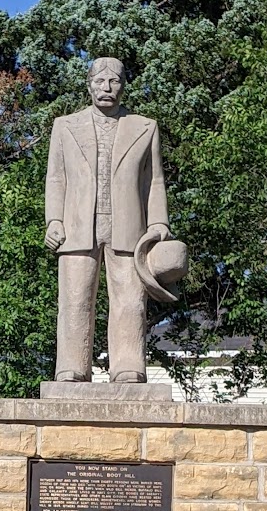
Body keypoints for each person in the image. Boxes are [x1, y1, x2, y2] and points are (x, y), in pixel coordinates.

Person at [44, 57, 173, 383]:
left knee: (130, 299)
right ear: (89, 85)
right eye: (100, 81)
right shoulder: (65, 126)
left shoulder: (145, 127)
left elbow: (154, 181)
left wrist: (159, 223)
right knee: (74, 299)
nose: (106, 87)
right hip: (76, 228)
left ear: (123, 86)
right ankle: (71, 366)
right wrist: (54, 220)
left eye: (114, 81)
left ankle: (128, 365)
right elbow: (56, 178)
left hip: (129, 227)